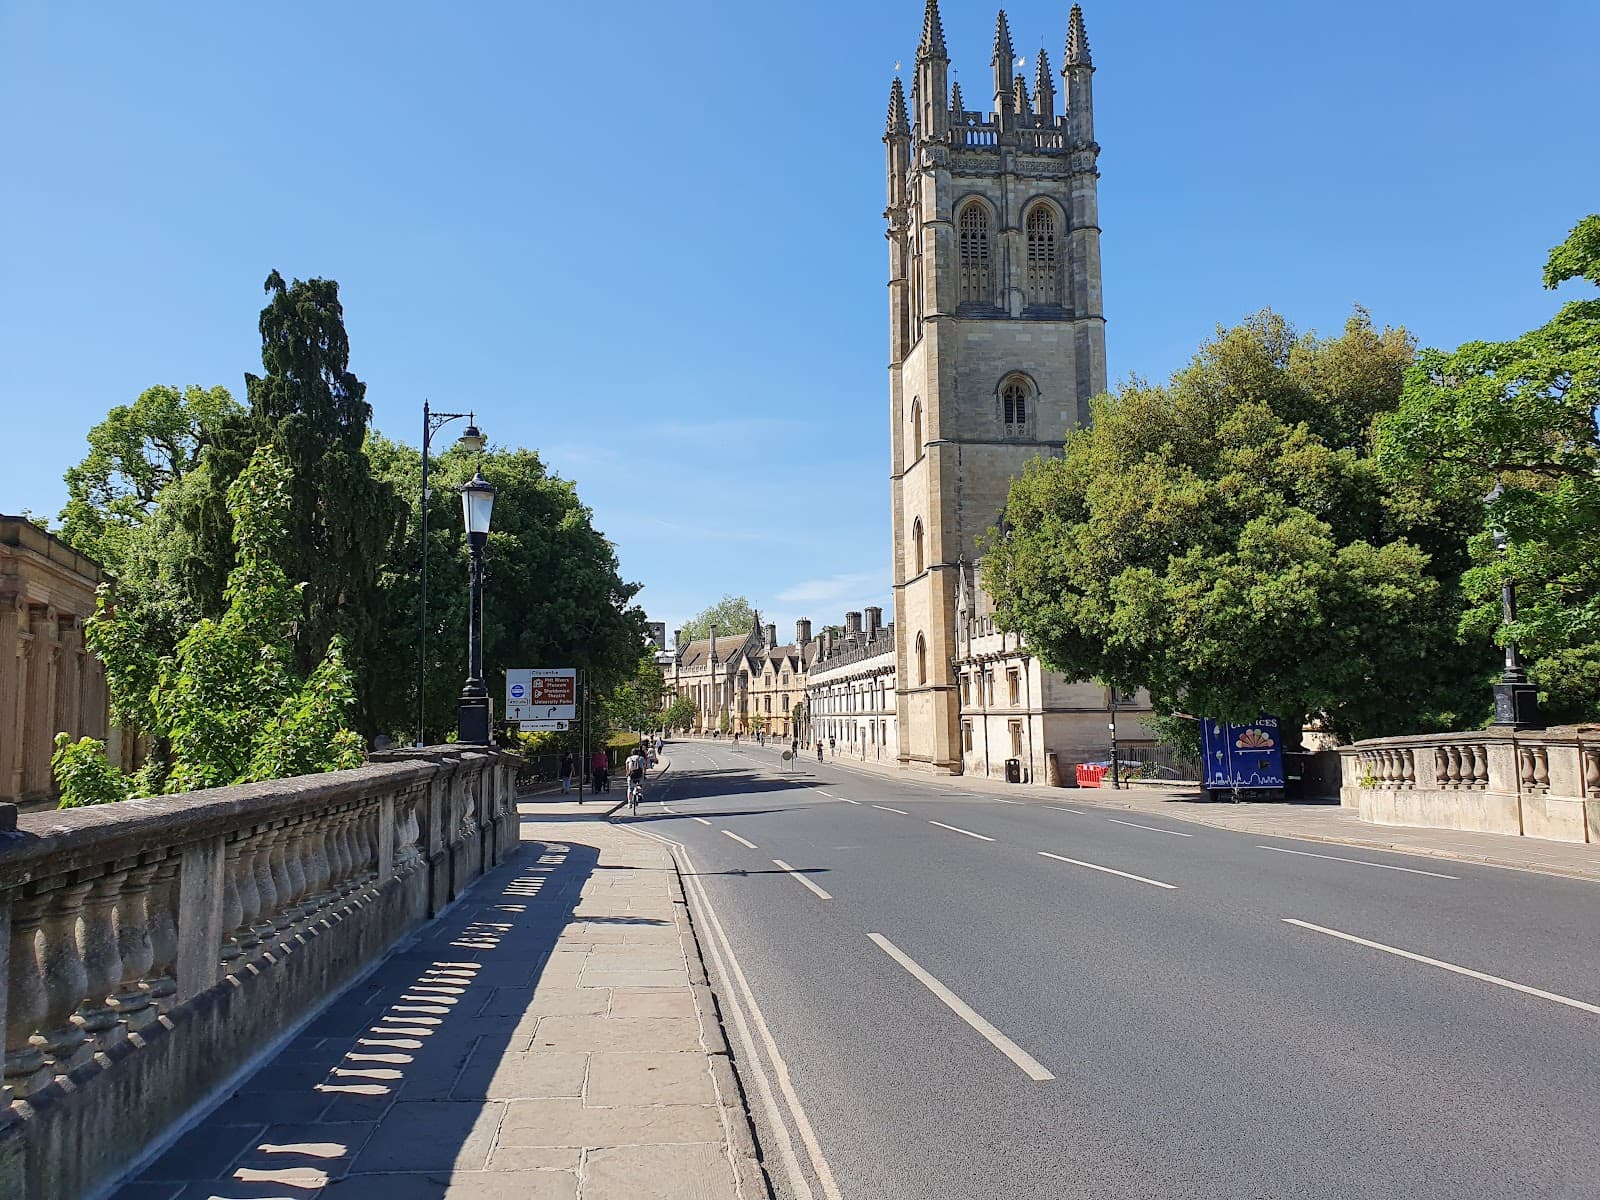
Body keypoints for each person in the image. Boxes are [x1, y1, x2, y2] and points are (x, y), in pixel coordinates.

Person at [624, 746, 648, 815]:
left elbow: (627, 768)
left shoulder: (629, 758)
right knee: (640, 785)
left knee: (630, 788)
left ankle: (629, 803)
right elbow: (644, 767)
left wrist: (627, 773)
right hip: (639, 776)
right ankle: (639, 793)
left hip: (631, 775)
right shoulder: (641, 758)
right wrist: (644, 774)